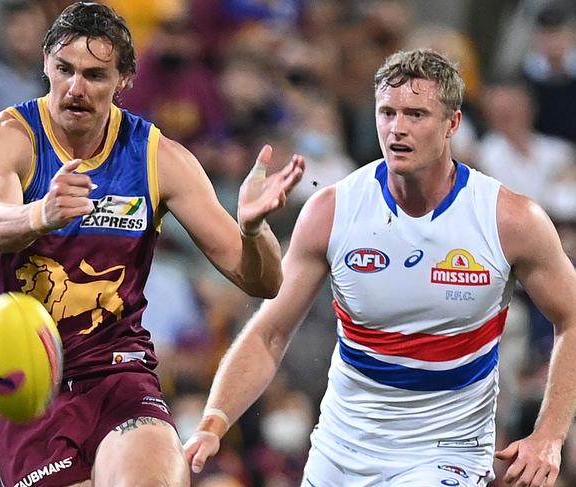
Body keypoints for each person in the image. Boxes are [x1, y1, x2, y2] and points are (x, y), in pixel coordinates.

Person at [184, 48, 576, 487]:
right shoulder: (333, 211)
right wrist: (213, 423)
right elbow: (270, 332)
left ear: (453, 124)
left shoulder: (510, 220)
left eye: (416, 114)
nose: (397, 129)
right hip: (341, 450)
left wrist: (549, 435)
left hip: (446, 454)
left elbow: (572, 318)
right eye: (387, 112)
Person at [0, 3, 304, 487]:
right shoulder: (4, 139)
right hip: (30, 384)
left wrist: (254, 230)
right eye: (64, 70)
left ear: (124, 79)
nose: (76, 88)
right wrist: (42, 212)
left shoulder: (159, 158)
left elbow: (264, 281)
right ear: (45, 64)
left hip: (119, 372)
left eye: (95, 75)